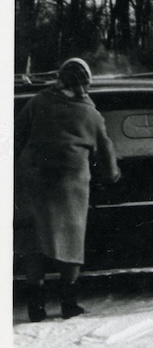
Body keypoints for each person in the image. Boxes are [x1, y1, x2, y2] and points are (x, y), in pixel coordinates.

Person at [14, 58, 121, 322]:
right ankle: (68, 303)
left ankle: (35, 307)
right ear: (85, 83)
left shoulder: (37, 102)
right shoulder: (90, 112)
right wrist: (111, 175)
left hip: (32, 180)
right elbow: (104, 150)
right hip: (69, 183)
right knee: (71, 241)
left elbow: (16, 136)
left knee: (35, 242)